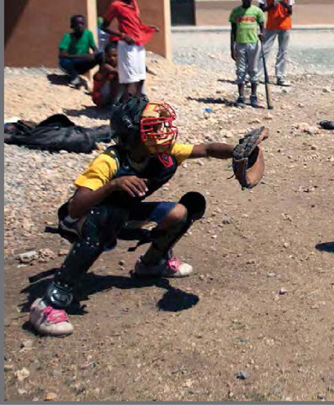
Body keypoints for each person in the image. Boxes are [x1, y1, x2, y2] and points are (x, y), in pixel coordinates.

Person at [28, 95, 243, 337]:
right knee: (107, 217)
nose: (162, 132)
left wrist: (239, 152)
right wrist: (113, 185)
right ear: (132, 135)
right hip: (82, 220)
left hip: (121, 213)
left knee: (184, 210)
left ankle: (153, 263)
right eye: (152, 129)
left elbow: (206, 149)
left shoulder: (161, 153)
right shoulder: (109, 161)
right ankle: (49, 303)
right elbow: (76, 207)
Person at [101, 0, 159, 98]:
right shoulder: (116, 5)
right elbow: (104, 26)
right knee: (129, 79)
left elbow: (136, 23)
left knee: (141, 76)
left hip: (138, 44)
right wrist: (122, 35)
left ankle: (138, 104)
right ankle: (127, 107)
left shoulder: (134, 3)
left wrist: (149, 28)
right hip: (127, 46)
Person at [229, 0, 266, 107]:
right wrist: (232, 47)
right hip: (240, 44)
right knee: (240, 71)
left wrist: (262, 34)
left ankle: (253, 96)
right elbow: (233, 31)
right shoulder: (236, 12)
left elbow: (262, 26)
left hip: (253, 44)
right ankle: (240, 96)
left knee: (253, 70)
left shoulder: (257, 11)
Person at [258, 0, 294, 87]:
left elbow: (290, 11)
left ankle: (280, 76)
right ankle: (256, 75)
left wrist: (283, 4)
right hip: (271, 25)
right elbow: (261, 8)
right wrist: (272, 5)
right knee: (264, 50)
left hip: (284, 25)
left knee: (283, 51)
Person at [58, 14, 102, 88]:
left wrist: (93, 55)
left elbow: (95, 50)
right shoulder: (68, 37)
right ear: (72, 26)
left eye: (82, 24)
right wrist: (82, 56)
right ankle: (74, 78)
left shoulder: (88, 34)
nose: (80, 26)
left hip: (82, 64)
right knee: (64, 60)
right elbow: (62, 54)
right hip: (72, 63)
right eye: (77, 24)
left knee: (101, 55)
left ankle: (100, 75)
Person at [90, 42, 119, 108]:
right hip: (100, 97)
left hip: (110, 94)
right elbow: (116, 73)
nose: (112, 58)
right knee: (117, 78)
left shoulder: (119, 66)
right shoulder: (105, 67)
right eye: (109, 56)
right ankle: (113, 104)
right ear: (105, 56)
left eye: (115, 55)